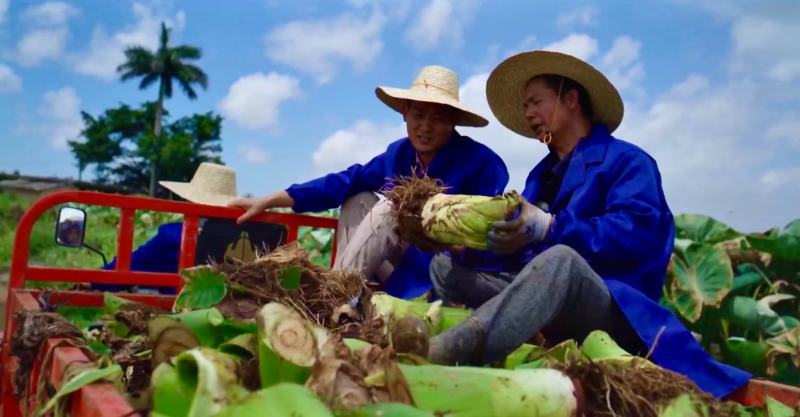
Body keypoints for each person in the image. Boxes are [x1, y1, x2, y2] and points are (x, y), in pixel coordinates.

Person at [425, 51, 750, 398]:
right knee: (446, 266)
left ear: (570, 99)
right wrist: (481, 249)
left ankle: (456, 347)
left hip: (611, 309)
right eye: (526, 106)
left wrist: (552, 226)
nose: (528, 114)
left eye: (535, 102)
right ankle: (493, 326)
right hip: (545, 300)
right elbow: (525, 256)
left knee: (561, 259)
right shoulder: (542, 176)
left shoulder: (629, 162)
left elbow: (636, 232)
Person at [229, 65, 509, 298]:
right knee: (357, 199)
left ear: (453, 123)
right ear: (405, 115)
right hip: (396, 269)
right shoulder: (397, 154)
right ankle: (349, 294)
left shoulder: (482, 163)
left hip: (443, 273)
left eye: (437, 119)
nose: (425, 126)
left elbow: (485, 230)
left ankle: (332, 296)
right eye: (418, 115)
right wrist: (270, 199)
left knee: (391, 207)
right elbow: (343, 181)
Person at [96, 163, 287, 293]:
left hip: (181, 321)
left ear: (190, 199)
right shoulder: (268, 238)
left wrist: (95, 280)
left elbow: (114, 278)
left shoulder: (173, 236)